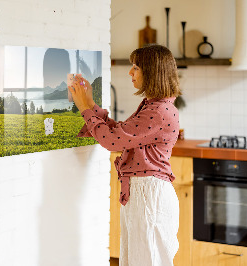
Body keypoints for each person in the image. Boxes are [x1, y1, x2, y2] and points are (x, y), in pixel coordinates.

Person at [69, 44, 181, 266]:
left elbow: (112, 141)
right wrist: (90, 104)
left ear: (152, 72)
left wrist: (84, 108)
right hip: (144, 194)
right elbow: (120, 133)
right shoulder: (154, 106)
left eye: (136, 67)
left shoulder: (158, 111)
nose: (130, 72)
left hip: (149, 196)